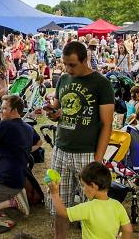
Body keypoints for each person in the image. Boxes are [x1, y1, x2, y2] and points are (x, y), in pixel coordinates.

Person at [44, 41, 114, 239]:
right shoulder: (64, 79)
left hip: (87, 153)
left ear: (85, 59)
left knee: (93, 208)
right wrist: (52, 112)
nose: (68, 69)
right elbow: (58, 107)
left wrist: (97, 159)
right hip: (61, 149)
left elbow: (107, 124)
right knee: (59, 204)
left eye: (72, 64)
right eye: (65, 64)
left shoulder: (101, 83)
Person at [47, 161, 132, 239]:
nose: (83, 189)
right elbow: (128, 230)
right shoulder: (117, 205)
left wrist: (54, 193)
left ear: (93, 186)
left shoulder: (87, 207)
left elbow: (63, 213)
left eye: (83, 185)